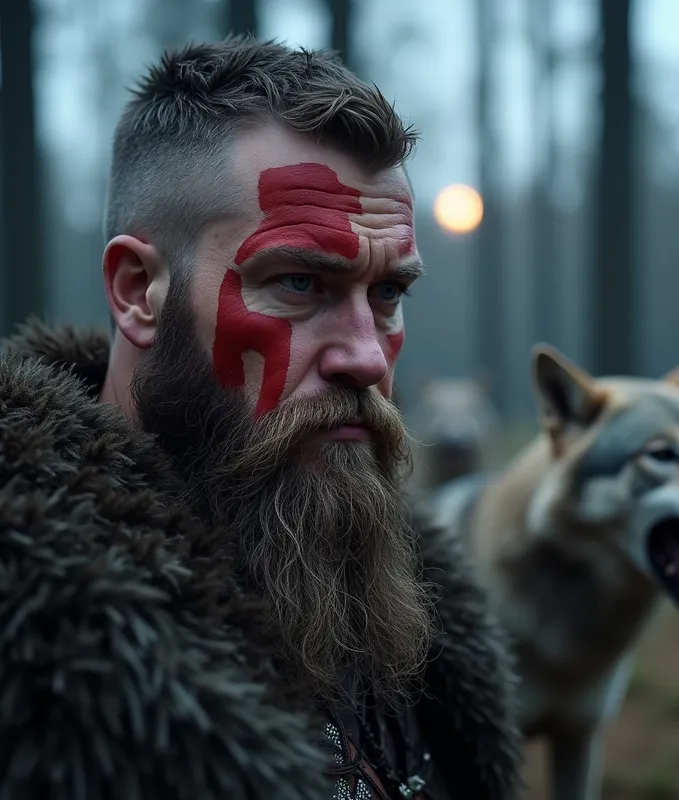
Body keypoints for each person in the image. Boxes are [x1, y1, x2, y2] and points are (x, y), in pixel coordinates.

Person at [0, 36, 521, 799]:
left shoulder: (397, 603)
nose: (368, 359)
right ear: (138, 291)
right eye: (301, 282)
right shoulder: (30, 664)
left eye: (387, 295)